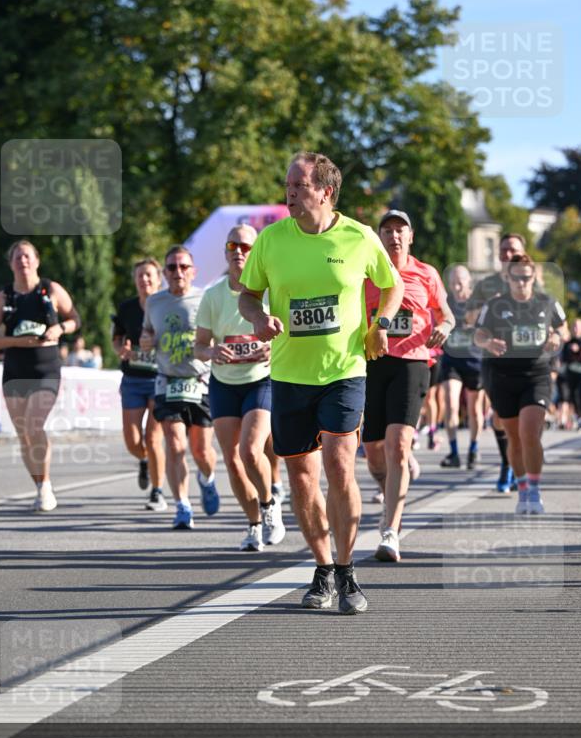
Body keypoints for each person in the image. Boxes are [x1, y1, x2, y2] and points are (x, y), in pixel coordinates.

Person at [239, 151, 403, 614]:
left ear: (326, 191)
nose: (289, 193)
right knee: (302, 476)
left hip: (344, 369)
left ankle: (348, 570)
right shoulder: (272, 240)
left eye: (299, 186)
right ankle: (323, 568)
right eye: (288, 185)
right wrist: (258, 318)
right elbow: (248, 295)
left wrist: (382, 323)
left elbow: (391, 285)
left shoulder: (360, 237)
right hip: (290, 374)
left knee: (338, 462)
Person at [362, 210, 453, 562]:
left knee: (398, 443)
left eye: (401, 230)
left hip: (413, 361)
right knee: (373, 450)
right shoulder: (366, 272)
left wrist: (446, 326)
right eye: (387, 230)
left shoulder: (426, 273)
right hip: (372, 362)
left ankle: (390, 530)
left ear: (410, 237)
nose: (394, 236)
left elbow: (446, 313)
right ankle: (391, 489)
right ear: (380, 237)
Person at [195, 225, 285, 551]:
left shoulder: (273, 291)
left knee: (250, 450)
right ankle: (253, 525)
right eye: (232, 245)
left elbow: (290, 334)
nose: (239, 252)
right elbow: (199, 346)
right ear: (225, 251)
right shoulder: (213, 295)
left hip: (261, 379)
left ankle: (269, 502)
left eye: (246, 246)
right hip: (223, 383)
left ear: (256, 252)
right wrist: (211, 352)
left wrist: (274, 349)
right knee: (232, 460)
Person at [0, 240, 81, 512]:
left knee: (35, 425)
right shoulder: (4, 297)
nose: (22, 261)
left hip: (46, 369)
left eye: (27, 256)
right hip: (14, 372)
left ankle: (46, 486)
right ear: (10, 263)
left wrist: (60, 329)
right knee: (24, 435)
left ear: (36, 261)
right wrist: (16, 341)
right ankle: (39, 485)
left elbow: (75, 319)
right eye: (17, 257)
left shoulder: (51, 290)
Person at [474, 253, 566, 515]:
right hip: (503, 377)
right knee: (513, 438)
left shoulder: (547, 302)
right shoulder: (494, 305)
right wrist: (487, 343)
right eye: (517, 278)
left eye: (527, 277)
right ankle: (523, 488)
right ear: (508, 278)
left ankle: (535, 490)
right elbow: (479, 333)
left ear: (534, 276)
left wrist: (557, 338)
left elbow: (564, 328)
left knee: (529, 431)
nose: (522, 283)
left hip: (536, 375)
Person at [140, 245, 220, 529]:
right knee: (175, 445)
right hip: (167, 381)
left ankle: (207, 479)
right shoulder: (154, 302)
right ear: (165, 273)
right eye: (172, 267)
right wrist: (146, 341)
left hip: (200, 382)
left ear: (193, 271)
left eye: (183, 266)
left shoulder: (205, 298)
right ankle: (182, 506)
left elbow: (216, 334)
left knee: (201, 451)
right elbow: (146, 334)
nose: (178, 272)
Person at [466, 232, 527, 492]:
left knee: (524, 418)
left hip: (526, 360)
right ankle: (507, 463)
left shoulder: (531, 281)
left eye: (512, 249)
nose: (506, 254)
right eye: (502, 250)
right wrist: (486, 309)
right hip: (495, 358)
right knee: (501, 417)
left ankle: (519, 465)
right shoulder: (487, 284)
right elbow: (469, 318)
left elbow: (547, 315)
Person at [112, 257, 167, 510]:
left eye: (148, 275)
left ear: (158, 279)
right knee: (132, 440)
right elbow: (117, 339)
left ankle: (157, 492)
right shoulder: (127, 308)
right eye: (139, 276)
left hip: (160, 378)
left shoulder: (168, 305)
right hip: (133, 378)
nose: (144, 280)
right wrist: (121, 349)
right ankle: (144, 460)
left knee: (153, 437)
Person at [440, 264, 485, 469]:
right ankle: (454, 451)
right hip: (452, 360)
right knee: (450, 401)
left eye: (460, 283)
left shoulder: (478, 303)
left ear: (468, 282)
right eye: (453, 283)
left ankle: (474, 448)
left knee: (475, 409)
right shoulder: (445, 303)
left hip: (475, 360)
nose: (457, 287)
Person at [558, 317, 581, 429]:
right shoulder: (568, 343)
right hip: (569, 376)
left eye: (578, 326)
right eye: (574, 326)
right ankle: (573, 419)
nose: (576, 329)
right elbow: (562, 358)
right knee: (569, 397)